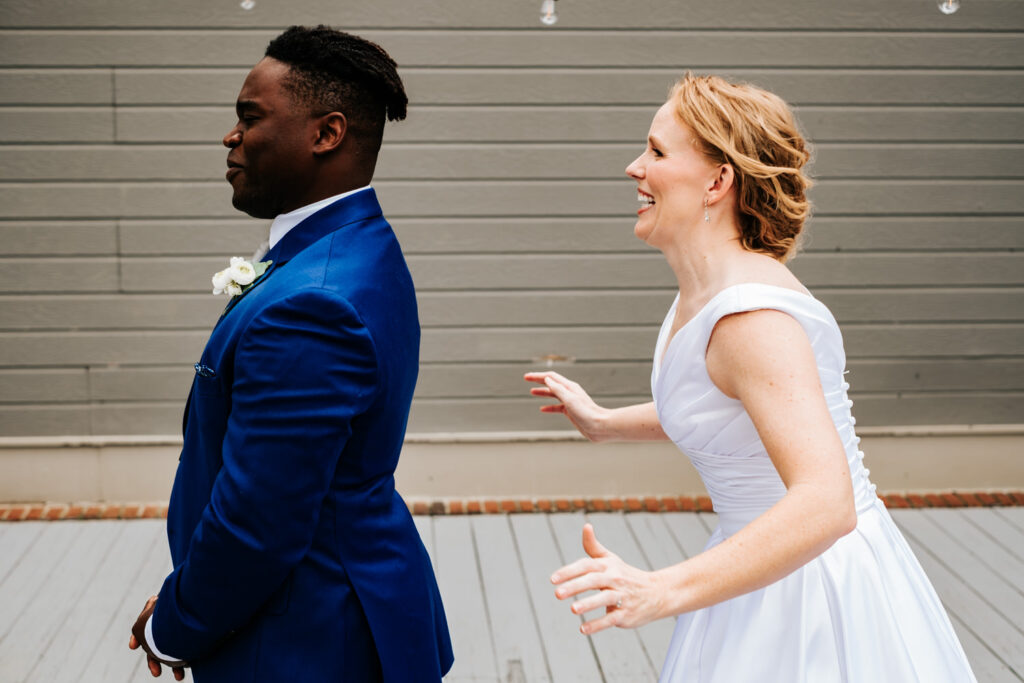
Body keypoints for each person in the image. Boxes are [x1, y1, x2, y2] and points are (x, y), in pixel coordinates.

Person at [525, 74, 975, 681]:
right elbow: (726, 411)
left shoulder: (751, 319)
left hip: (809, 588)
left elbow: (827, 501)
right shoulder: (708, 293)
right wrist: (604, 423)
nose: (634, 167)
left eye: (657, 152)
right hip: (754, 569)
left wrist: (661, 589)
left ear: (718, 180)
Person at [128, 25, 453, 682]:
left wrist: (174, 624)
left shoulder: (315, 302)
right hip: (341, 607)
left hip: (302, 639)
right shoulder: (361, 244)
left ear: (326, 133)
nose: (232, 136)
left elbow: (258, 521)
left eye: (251, 118)